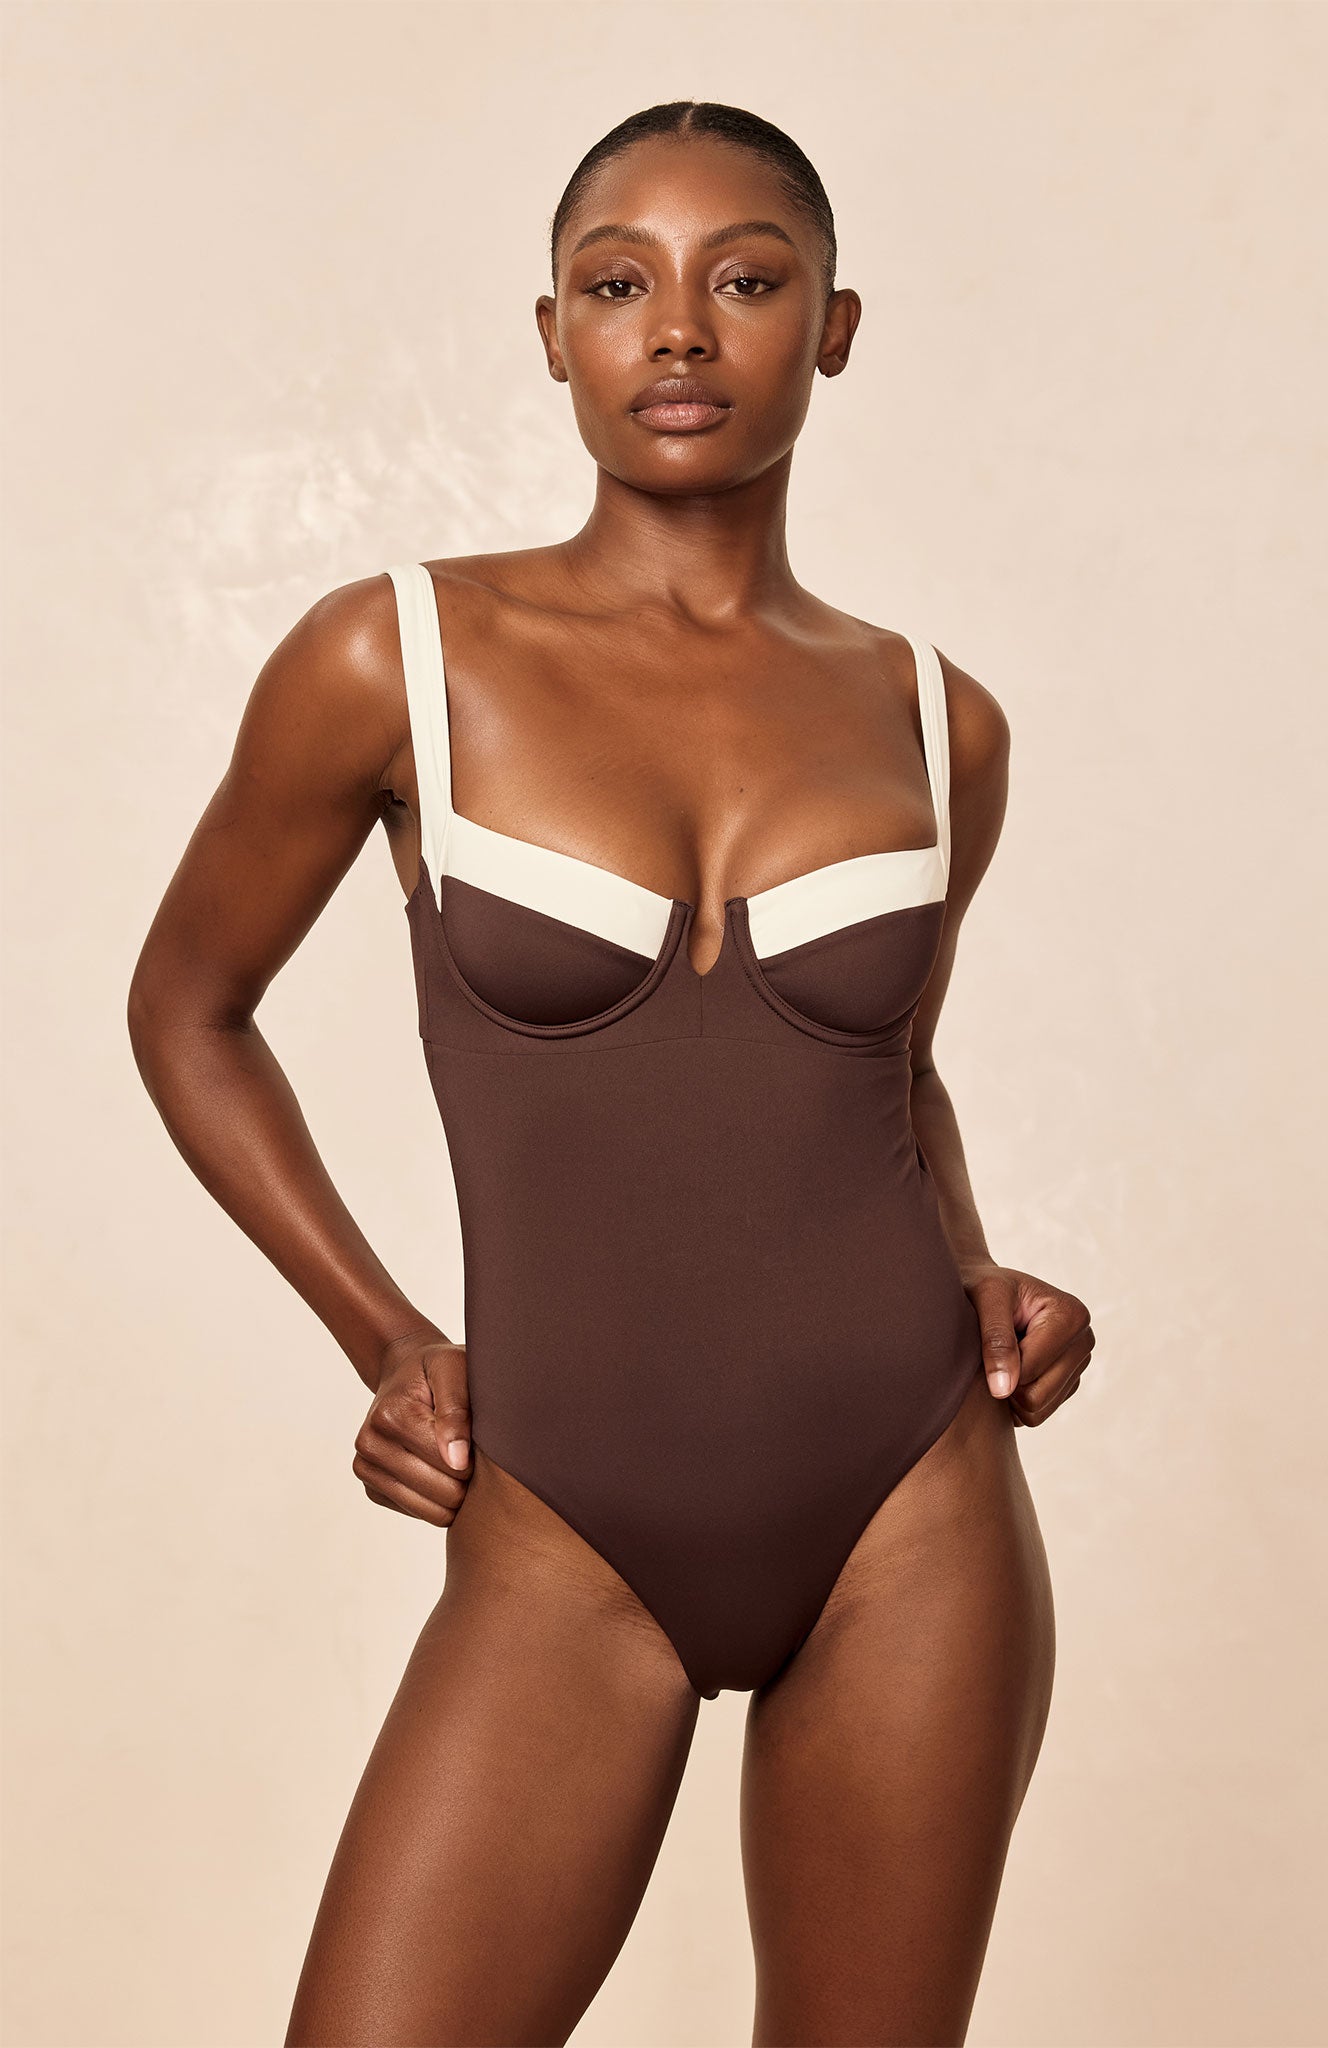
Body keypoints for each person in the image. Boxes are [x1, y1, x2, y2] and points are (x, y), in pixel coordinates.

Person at [127, 98, 1093, 2048]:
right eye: (615, 283)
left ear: (831, 327)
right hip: (563, 1519)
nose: (677, 329)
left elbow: (884, 1074)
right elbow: (187, 1008)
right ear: (551, 333)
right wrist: (385, 1338)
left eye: (745, 280)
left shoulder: (938, 721)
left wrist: (978, 1268)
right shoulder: (393, 657)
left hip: (911, 1504)